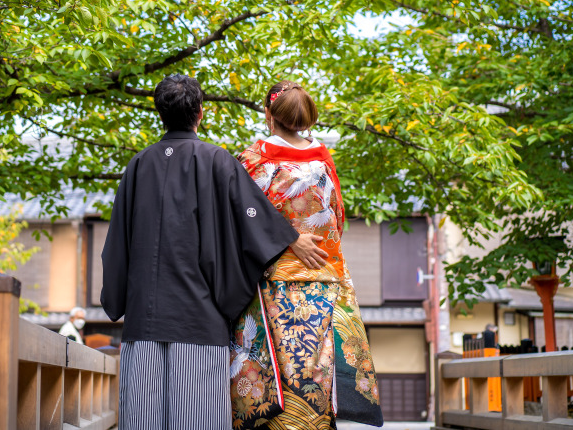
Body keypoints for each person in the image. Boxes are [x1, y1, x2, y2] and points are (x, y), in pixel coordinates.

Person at [101, 74, 328, 430]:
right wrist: (291, 239)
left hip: (143, 323)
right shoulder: (219, 161)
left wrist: (115, 299)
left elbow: (116, 244)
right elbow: (253, 218)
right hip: (200, 320)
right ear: (201, 113)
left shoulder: (138, 166)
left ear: (160, 112)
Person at [231, 81, 384, 429]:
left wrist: (285, 243)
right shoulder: (323, 162)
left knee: (275, 379)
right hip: (325, 283)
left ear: (269, 115)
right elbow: (338, 219)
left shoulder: (255, 160)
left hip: (274, 287)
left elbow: (238, 220)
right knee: (318, 377)